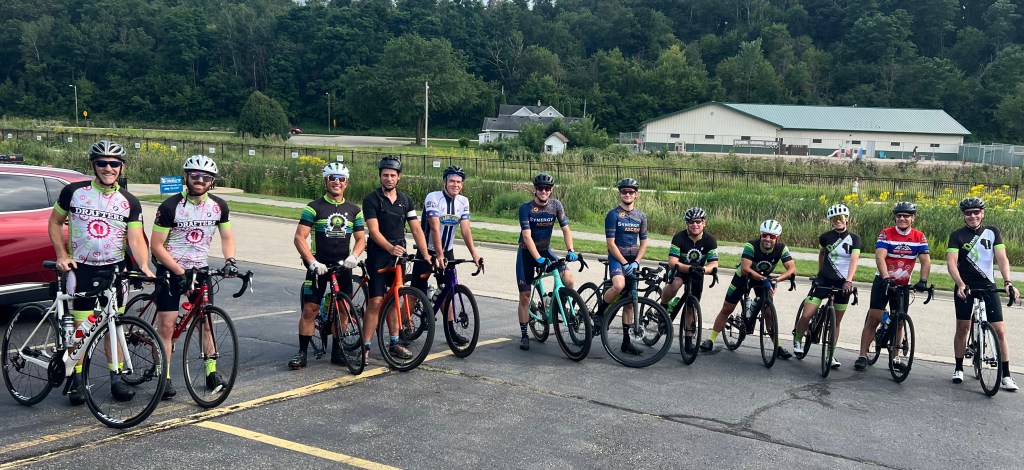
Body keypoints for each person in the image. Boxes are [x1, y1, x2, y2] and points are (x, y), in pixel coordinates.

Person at [47, 140, 154, 405]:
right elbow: (55, 222)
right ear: (93, 165)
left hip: (115, 270)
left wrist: (144, 266)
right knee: (81, 328)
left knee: (114, 326)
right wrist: (61, 255)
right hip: (81, 268)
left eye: (114, 163)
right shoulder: (74, 192)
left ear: (121, 167)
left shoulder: (129, 201)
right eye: (102, 163)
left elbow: (136, 238)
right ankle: (77, 379)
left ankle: (116, 378)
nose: (108, 168)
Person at [150, 155, 237, 398]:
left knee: (205, 321)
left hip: (200, 269)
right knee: (167, 325)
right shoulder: (170, 206)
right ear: (186, 177)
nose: (200, 180)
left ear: (212, 181)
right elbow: (156, 246)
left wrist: (230, 260)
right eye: (195, 175)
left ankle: (211, 371)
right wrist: (179, 272)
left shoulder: (219, 206)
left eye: (206, 177)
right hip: (171, 269)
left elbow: (227, 238)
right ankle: (164, 376)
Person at [289, 163, 366, 369]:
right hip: (318, 266)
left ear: (346, 183)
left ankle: (337, 352)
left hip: (343, 266)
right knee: (310, 309)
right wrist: (312, 261)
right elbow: (299, 237)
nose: (337, 182)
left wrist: (354, 255)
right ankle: (302, 353)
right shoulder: (313, 207)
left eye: (341, 179)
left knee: (344, 310)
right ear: (326, 181)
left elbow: (361, 239)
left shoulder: (354, 210)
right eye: (333, 178)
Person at [361, 156, 432, 360]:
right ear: (380, 176)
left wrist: (426, 254)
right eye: (385, 175)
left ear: (399, 177)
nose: (389, 179)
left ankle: (394, 343)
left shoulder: (405, 200)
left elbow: (416, 228)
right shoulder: (371, 199)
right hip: (379, 254)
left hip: (398, 254)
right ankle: (365, 347)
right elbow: (374, 231)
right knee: (375, 301)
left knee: (394, 299)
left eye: (393, 175)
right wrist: (390, 248)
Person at [947, 197, 1020, 390]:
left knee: (1000, 330)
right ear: (963, 216)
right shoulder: (957, 235)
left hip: (988, 286)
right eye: (968, 213)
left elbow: (1002, 258)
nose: (972, 216)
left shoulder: (992, 232)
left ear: (982, 213)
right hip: (965, 286)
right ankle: (958, 367)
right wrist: (960, 284)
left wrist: (1008, 282)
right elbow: (952, 262)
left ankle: (1006, 375)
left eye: (976, 212)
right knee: (962, 327)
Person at [853, 201, 931, 371]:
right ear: (895, 218)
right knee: (874, 318)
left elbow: (925, 260)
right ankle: (862, 355)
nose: (902, 218)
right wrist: (887, 278)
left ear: (913, 218)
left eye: (906, 216)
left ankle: (895, 358)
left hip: (903, 284)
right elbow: (880, 257)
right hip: (884, 281)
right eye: (899, 216)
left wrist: (923, 280)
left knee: (900, 321)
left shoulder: (919, 236)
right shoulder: (886, 233)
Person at [701, 220, 796, 358]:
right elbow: (745, 269)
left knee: (769, 313)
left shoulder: (782, 248)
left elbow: (792, 269)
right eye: (764, 235)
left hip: (763, 279)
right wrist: (763, 278)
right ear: (760, 235)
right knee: (727, 308)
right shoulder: (751, 245)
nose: (767, 238)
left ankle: (777, 346)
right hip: (743, 278)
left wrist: (777, 280)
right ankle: (710, 340)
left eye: (772, 236)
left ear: (778, 237)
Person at [410, 165, 482, 346]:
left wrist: (475, 255)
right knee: (416, 291)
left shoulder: (463, 201)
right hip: (427, 250)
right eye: (452, 181)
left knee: (448, 290)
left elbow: (465, 230)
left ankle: (451, 331)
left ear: (462, 185)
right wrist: (439, 255)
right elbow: (434, 227)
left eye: (458, 182)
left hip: (447, 250)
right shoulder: (433, 197)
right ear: (445, 182)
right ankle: (405, 327)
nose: (455, 185)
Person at [792, 204, 861, 368]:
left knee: (836, 323)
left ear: (847, 219)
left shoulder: (855, 239)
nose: (838, 221)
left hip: (843, 283)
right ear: (831, 221)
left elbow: (854, 260)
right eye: (834, 219)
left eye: (841, 218)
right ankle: (798, 338)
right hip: (824, 280)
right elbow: (822, 254)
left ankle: (830, 355)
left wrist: (849, 280)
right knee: (807, 314)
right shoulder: (825, 237)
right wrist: (819, 273)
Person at [515, 173, 577, 351]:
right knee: (525, 296)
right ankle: (524, 334)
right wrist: (538, 259)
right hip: (527, 253)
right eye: (540, 188)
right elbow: (527, 237)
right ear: (535, 189)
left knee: (568, 279)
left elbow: (566, 229)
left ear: (551, 190)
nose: (544, 191)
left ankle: (558, 305)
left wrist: (571, 250)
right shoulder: (525, 208)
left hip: (545, 250)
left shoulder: (556, 205)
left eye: (547, 188)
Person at [599, 178, 649, 355]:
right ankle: (600, 313)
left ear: (636, 194)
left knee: (629, 302)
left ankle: (626, 343)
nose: (627, 194)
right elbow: (610, 243)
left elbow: (644, 242)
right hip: (617, 258)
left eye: (631, 192)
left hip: (633, 260)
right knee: (619, 285)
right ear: (619, 194)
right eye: (624, 192)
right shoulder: (613, 215)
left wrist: (636, 262)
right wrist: (625, 263)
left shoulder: (641, 216)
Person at [659, 207, 718, 354]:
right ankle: (663, 307)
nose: (695, 224)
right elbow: (673, 262)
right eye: (691, 222)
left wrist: (704, 270)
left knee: (691, 306)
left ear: (704, 223)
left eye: (698, 221)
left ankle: (688, 340)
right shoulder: (679, 237)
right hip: (681, 269)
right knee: (676, 283)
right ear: (687, 224)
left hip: (697, 273)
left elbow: (713, 264)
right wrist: (688, 268)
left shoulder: (710, 240)